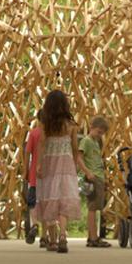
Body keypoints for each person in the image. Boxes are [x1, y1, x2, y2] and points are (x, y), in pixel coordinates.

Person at [35, 90, 89, 254]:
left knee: (49, 197)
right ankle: (63, 235)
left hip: (50, 162)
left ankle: (52, 239)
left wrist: (38, 164)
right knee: (63, 199)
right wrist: (74, 164)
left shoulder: (45, 123)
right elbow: (74, 147)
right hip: (66, 164)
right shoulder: (70, 124)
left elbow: (42, 144)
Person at [79, 116, 110, 248]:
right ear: (91, 127)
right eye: (98, 132)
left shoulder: (96, 142)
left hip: (99, 177)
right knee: (92, 208)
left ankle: (91, 235)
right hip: (92, 177)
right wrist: (87, 172)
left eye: (102, 133)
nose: (100, 135)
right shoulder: (86, 141)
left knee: (96, 208)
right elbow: (79, 158)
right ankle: (93, 237)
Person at [23, 119, 43, 246]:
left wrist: (26, 169)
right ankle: (47, 236)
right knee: (48, 203)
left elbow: (27, 152)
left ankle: (35, 224)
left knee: (32, 203)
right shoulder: (53, 133)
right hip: (49, 175)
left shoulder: (33, 133)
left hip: (34, 176)